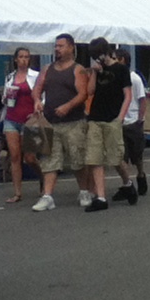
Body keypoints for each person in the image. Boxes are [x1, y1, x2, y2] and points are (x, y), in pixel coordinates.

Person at [31, 33, 91, 211]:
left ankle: (84, 191)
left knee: (77, 159)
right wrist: (37, 101)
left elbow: (83, 94)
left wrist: (68, 106)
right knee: (49, 160)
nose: (57, 49)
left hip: (74, 122)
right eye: (56, 46)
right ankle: (47, 196)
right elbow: (37, 89)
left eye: (61, 46)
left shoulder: (78, 69)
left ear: (71, 47)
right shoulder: (47, 69)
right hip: (50, 122)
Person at [85, 37, 132, 212]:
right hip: (96, 118)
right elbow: (90, 92)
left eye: (99, 55)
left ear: (107, 52)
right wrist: (94, 72)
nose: (98, 59)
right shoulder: (97, 70)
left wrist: (120, 117)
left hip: (113, 118)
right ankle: (101, 197)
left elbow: (127, 95)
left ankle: (127, 183)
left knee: (115, 158)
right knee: (95, 157)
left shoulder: (121, 69)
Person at [1, 47, 40, 204]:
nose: (24, 60)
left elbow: (42, 96)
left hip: (29, 119)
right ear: (16, 59)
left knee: (29, 157)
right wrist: (6, 97)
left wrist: (38, 110)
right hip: (12, 118)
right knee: (15, 156)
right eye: (21, 57)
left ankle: (43, 177)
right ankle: (17, 193)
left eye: (27, 57)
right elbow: (5, 99)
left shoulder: (35, 76)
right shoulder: (10, 77)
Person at [111, 48, 147, 202]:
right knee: (121, 156)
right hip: (118, 122)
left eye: (115, 59)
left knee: (136, 155)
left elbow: (142, 99)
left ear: (122, 60)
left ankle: (141, 175)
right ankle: (127, 184)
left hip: (133, 122)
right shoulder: (113, 78)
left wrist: (140, 118)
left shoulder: (134, 78)